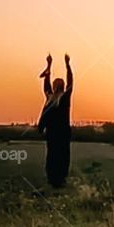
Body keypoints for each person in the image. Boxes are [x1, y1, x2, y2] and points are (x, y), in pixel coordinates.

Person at [37, 52, 73, 187]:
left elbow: (69, 81)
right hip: (58, 133)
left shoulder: (58, 98)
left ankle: (56, 180)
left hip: (57, 133)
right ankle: (56, 180)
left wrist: (65, 65)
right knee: (58, 156)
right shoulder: (56, 98)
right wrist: (52, 65)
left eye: (57, 84)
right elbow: (47, 83)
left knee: (57, 155)